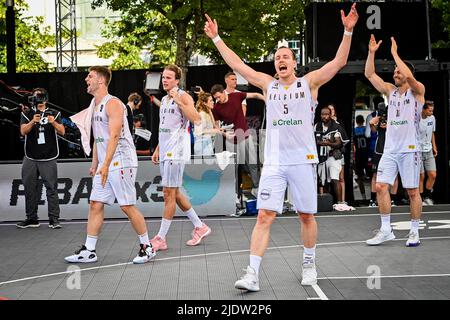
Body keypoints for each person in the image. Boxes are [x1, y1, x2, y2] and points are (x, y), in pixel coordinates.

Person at [204, 3, 359, 290]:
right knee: (264, 215)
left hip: (302, 160)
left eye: (285, 56)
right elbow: (238, 65)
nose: (280, 60)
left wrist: (348, 31)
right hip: (275, 162)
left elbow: (337, 62)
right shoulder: (267, 85)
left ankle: (309, 263)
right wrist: (216, 38)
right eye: (277, 58)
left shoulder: (309, 83)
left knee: (306, 215)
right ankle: (252, 273)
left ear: (294, 63)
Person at [65, 66, 156, 264]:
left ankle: (147, 247)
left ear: (101, 81)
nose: (86, 79)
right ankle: (89, 250)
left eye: (90, 76)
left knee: (126, 206)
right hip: (106, 162)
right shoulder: (93, 104)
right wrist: (95, 163)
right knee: (95, 204)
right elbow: (99, 138)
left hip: (121, 160)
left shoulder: (113, 103)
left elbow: (114, 135)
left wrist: (105, 165)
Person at [364, 35, 425, 247]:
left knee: (412, 191)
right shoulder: (391, 92)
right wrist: (372, 53)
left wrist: (395, 54)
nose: (395, 72)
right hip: (390, 149)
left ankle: (415, 231)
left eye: (398, 71)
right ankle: (385, 229)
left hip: (410, 149)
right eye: (395, 70)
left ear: (408, 74)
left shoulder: (418, 91)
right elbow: (369, 73)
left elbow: (407, 73)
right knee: (381, 187)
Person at [150, 64, 211, 251]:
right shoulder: (163, 99)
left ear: (177, 80)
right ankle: (200, 226)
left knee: (169, 194)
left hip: (176, 152)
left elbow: (196, 119)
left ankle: (161, 238)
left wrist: (180, 101)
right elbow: (165, 127)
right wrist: (158, 148)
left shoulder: (183, 96)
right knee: (174, 193)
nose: (165, 80)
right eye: (163, 78)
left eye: (169, 77)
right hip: (166, 150)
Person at [16, 88, 65, 229]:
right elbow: (23, 131)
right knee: (29, 188)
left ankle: (54, 219)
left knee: (51, 188)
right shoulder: (27, 113)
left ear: (46, 98)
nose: (39, 99)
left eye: (41, 96)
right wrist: (32, 121)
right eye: (36, 96)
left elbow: (62, 131)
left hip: (49, 156)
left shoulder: (55, 113)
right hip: (30, 156)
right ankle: (32, 218)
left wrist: (53, 122)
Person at [210, 84, 264, 198]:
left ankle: (257, 188)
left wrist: (265, 98)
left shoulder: (236, 96)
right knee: (234, 167)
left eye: (219, 97)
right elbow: (215, 123)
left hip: (245, 135)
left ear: (224, 92)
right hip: (231, 140)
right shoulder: (217, 108)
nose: (218, 100)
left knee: (253, 163)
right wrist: (223, 132)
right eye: (216, 98)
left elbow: (254, 94)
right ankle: (234, 193)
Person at [367, 102, 399, 208]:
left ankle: (393, 200)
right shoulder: (380, 118)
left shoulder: (395, 120)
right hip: (379, 150)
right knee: (375, 175)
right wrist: (380, 116)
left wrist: (389, 123)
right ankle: (372, 199)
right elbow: (372, 125)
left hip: (392, 150)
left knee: (394, 176)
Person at [315, 106, 344, 205]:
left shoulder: (336, 126)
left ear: (330, 115)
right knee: (323, 180)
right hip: (321, 157)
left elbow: (338, 143)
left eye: (326, 114)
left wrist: (327, 143)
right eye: (322, 114)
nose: (324, 116)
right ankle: (326, 203)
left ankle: (340, 203)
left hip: (333, 156)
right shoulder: (317, 126)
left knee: (334, 179)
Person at [353, 114, 370, 200]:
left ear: (356, 121)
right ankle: (373, 196)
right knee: (372, 177)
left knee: (360, 178)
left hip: (358, 155)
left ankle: (363, 197)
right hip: (367, 155)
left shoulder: (354, 131)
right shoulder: (366, 129)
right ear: (363, 121)